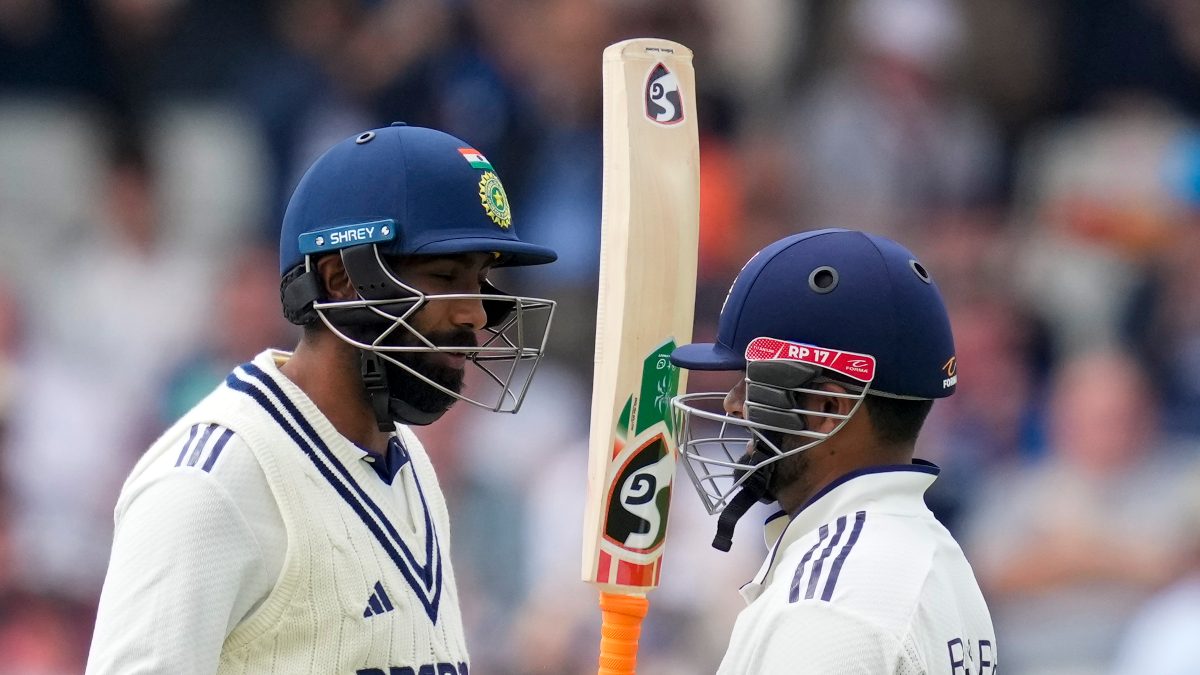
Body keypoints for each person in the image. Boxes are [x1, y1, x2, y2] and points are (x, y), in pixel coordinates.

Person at [85, 123, 558, 674]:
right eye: (446, 275)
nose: (475, 313)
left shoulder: (412, 467)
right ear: (340, 279)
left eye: (479, 281)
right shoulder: (212, 484)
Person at [669, 228, 996, 673]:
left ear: (828, 407)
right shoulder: (940, 556)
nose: (733, 403)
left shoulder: (826, 604)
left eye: (754, 384)